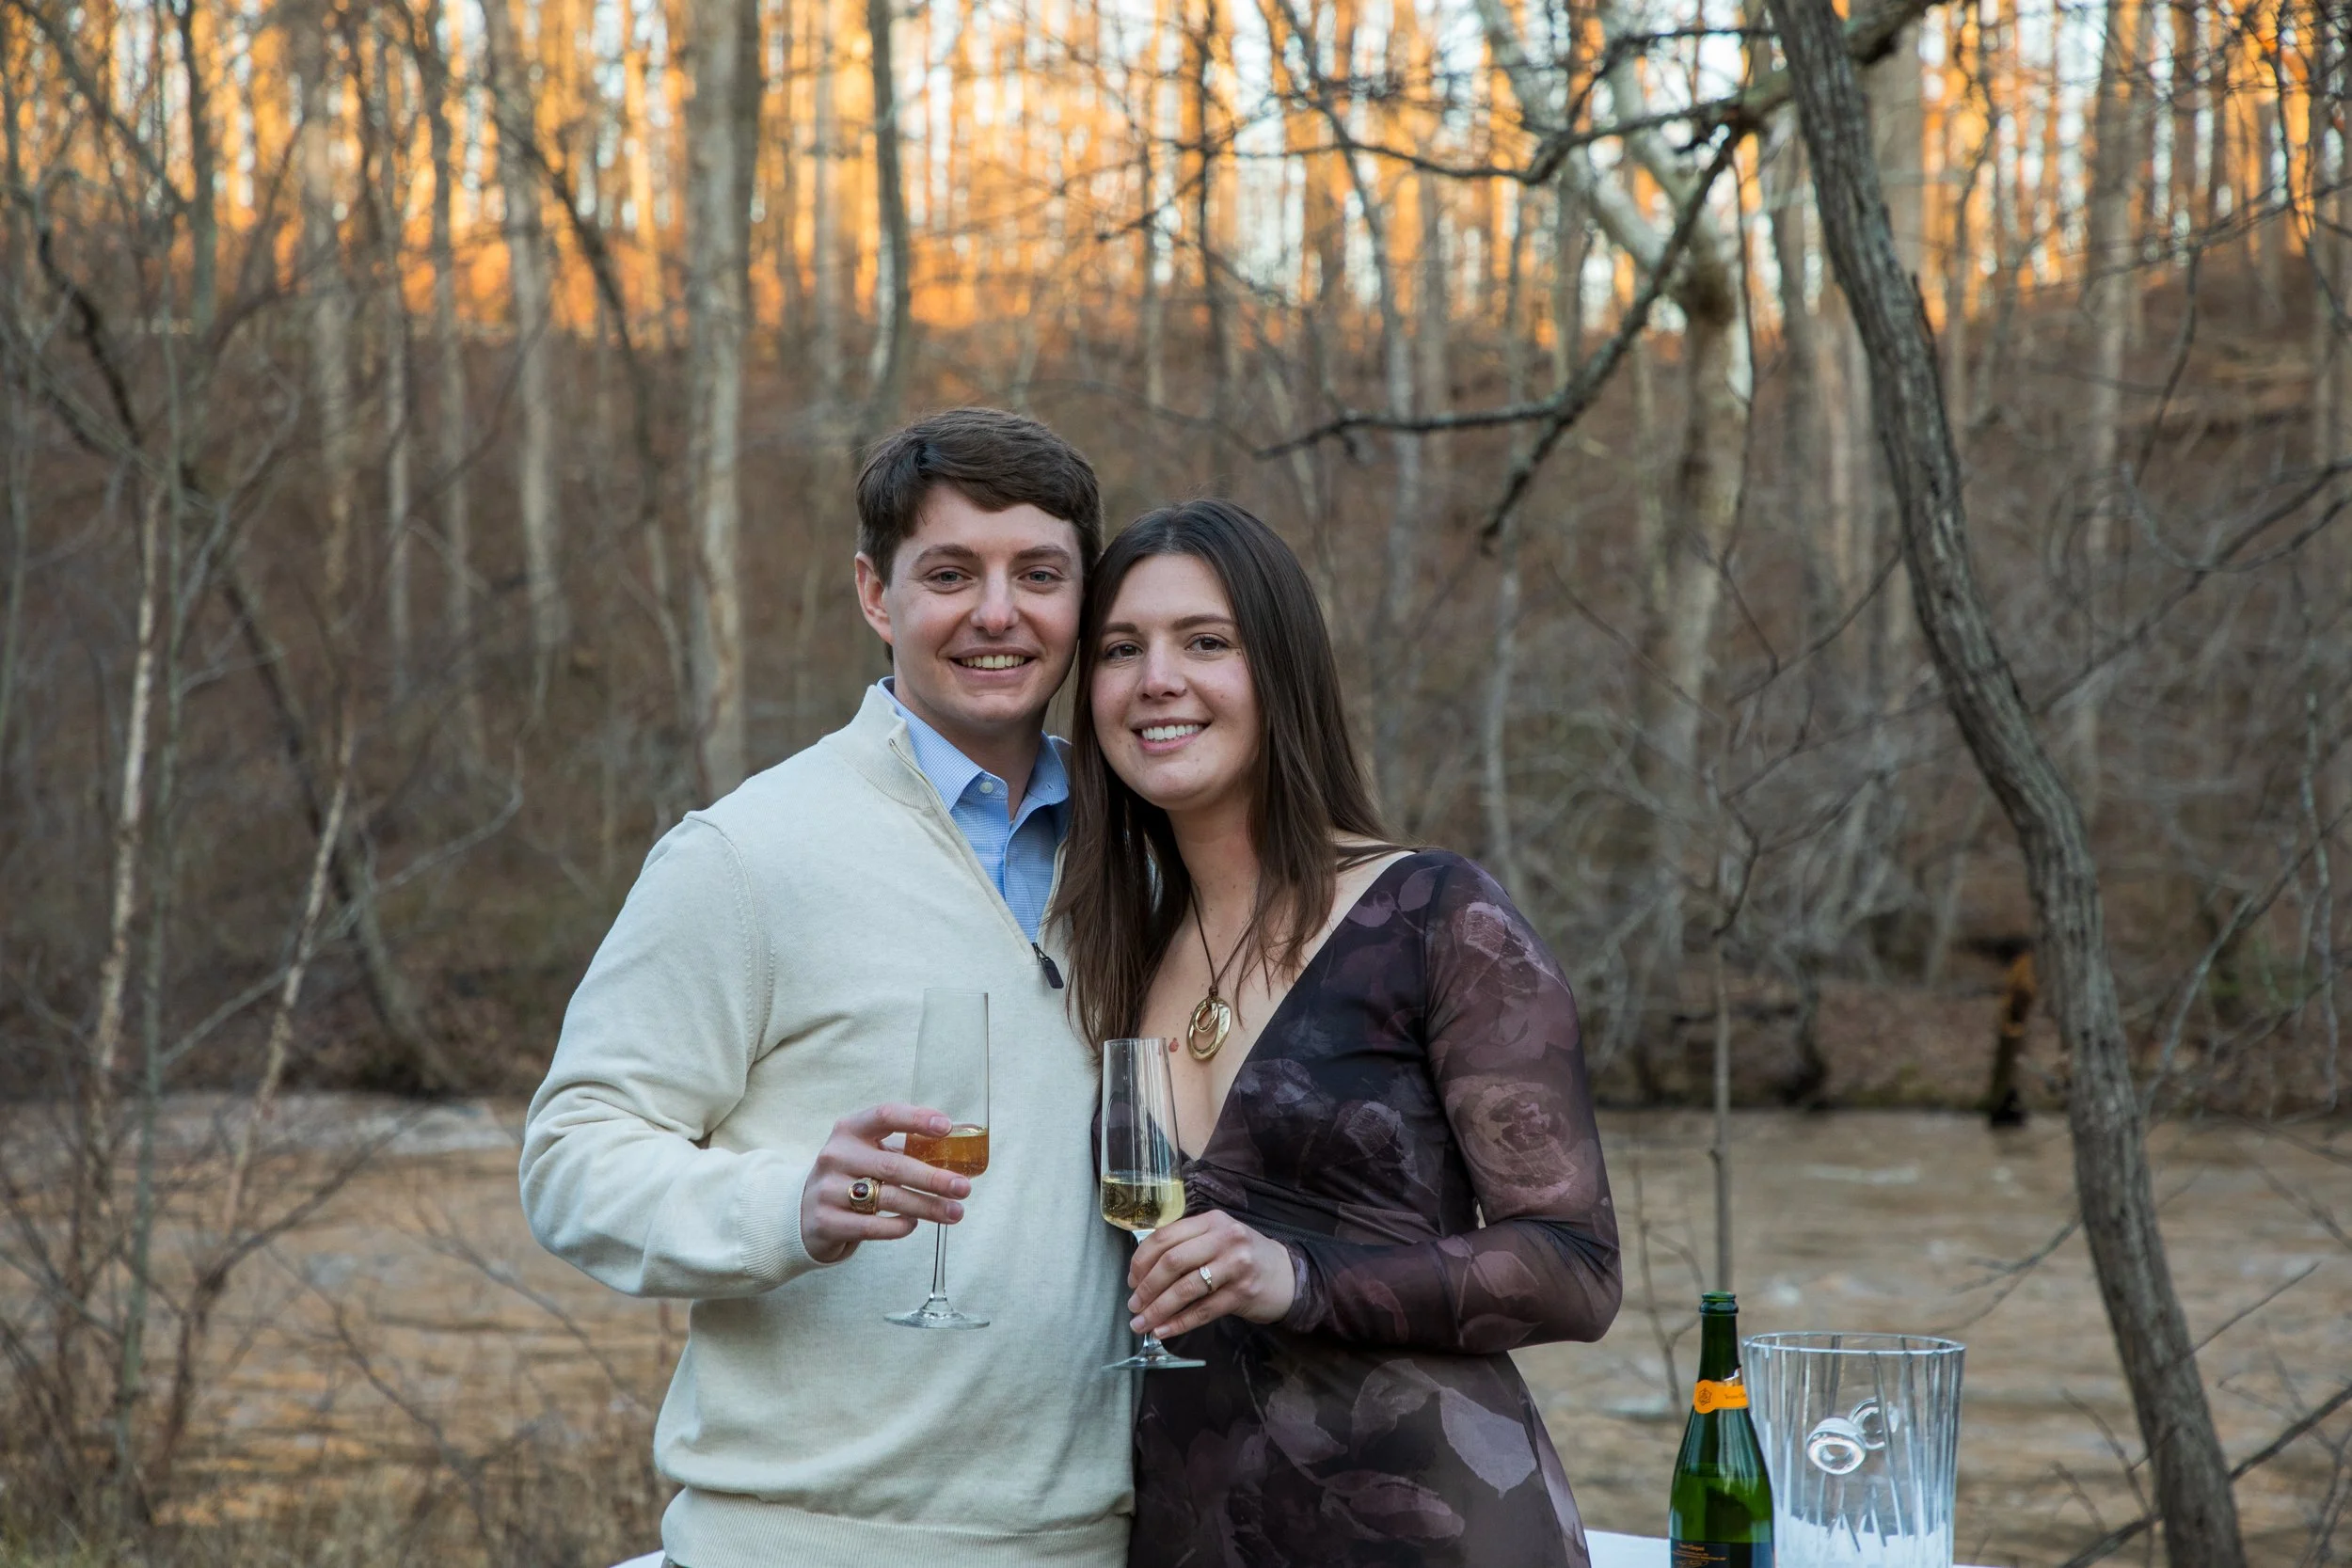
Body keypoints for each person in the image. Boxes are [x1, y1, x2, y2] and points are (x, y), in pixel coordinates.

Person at [520, 408, 1136, 1568]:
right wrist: (786, 1202)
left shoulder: (1146, 856)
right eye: (950, 573)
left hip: (1096, 1543)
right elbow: (572, 1155)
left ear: (1083, 600)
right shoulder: (747, 854)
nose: (997, 613)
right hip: (804, 1544)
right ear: (874, 594)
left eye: (1039, 574)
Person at [1055, 499, 1622, 1568]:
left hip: (1433, 1526)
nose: (1155, 679)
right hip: (1192, 1532)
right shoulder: (1118, 946)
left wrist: (1298, 1274)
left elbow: (1575, 1265)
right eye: (1120, 649)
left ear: (1283, 673)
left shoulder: (1434, 915)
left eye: (1206, 642)